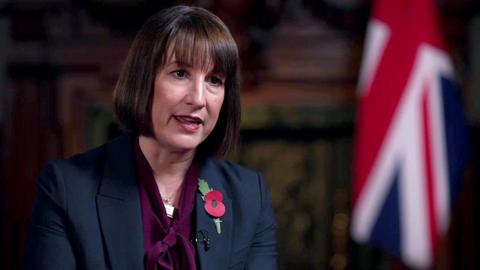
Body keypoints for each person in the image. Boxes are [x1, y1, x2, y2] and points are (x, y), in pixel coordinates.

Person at [25, 5, 277, 270]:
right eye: (180, 74)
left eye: (214, 80)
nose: (199, 99)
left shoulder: (250, 195)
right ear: (143, 80)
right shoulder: (67, 189)